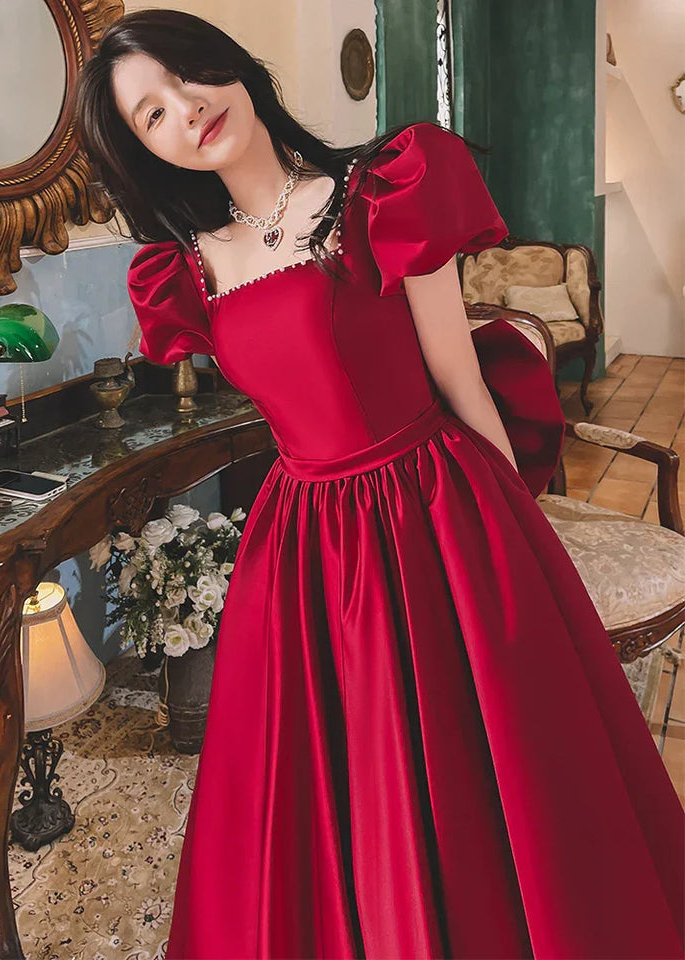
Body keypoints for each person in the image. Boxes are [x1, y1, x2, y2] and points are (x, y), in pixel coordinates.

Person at [76, 9, 685, 959]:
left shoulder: (382, 189)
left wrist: (523, 537)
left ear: (230, 66)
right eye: (151, 115)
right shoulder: (185, 272)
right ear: (142, 152)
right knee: (332, 792)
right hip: (303, 544)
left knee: (486, 772)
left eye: (188, 76)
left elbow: (459, 376)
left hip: (433, 507)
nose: (185, 110)